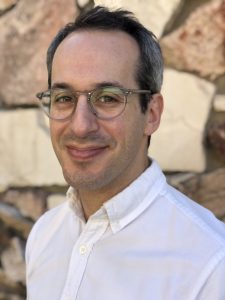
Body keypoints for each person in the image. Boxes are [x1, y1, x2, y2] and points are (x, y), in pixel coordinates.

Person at [26, 6, 225, 300]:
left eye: (108, 98)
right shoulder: (44, 235)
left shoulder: (210, 264)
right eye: (64, 98)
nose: (80, 126)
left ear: (152, 114)